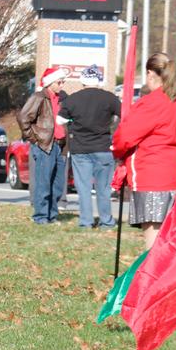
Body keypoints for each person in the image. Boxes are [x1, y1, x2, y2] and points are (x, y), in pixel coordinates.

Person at [112, 53, 176, 247]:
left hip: (151, 178)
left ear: (150, 74)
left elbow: (124, 137)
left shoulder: (152, 103)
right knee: (170, 244)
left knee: (154, 248)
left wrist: (117, 151)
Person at [58, 65, 120, 229]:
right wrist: (110, 122)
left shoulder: (72, 99)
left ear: (82, 81)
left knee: (83, 188)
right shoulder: (110, 98)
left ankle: (86, 222)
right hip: (103, 147)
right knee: (103, 188)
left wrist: (74, 122)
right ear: (99, 80)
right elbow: (122, 117)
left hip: (80, 149)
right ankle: (106, 221)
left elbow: (60, 120)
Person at [18, 67, 69, 224]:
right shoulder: (39, 97)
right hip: (45, 146)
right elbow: (23, 118)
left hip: (59, 146)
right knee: (43, 183)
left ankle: (52, 215)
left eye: (62, 82)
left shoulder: (61, 99)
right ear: (50, 83)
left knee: (57, 184)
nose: (61, 85)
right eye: (59, 82)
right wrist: (34, 139)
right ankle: (40, 217)